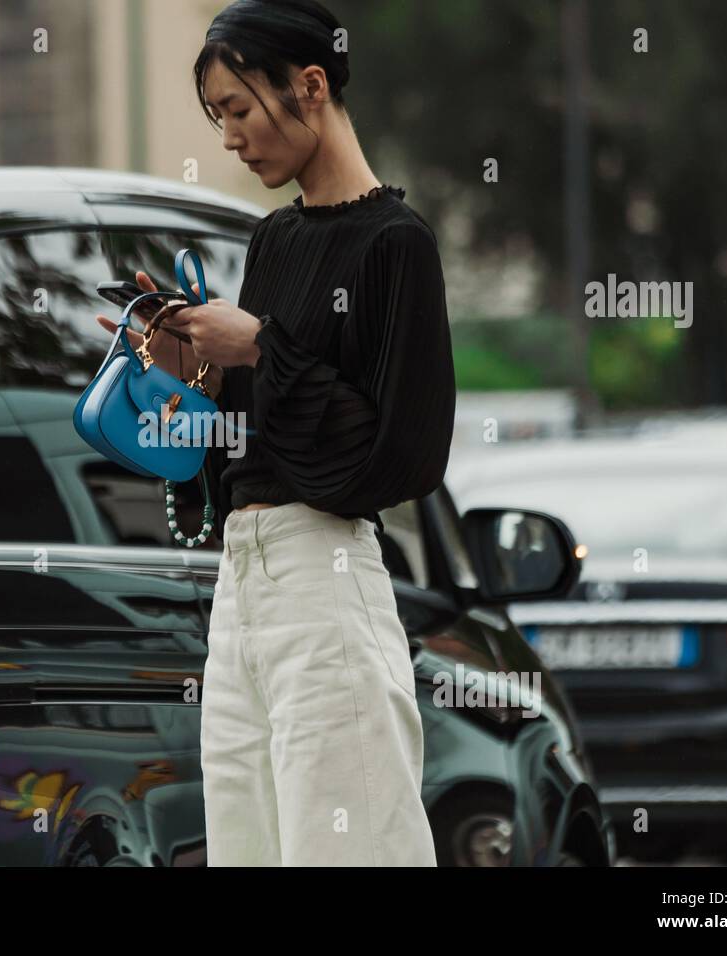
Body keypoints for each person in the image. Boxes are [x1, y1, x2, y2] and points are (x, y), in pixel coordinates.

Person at [97, 0, 456, 866]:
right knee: (248, 848)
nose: (230, 138)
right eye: (218, 118)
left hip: (326, 580)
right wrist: (198, 370)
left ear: (311, 85)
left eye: (240, 110)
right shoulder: (276, 239)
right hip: (243, 586)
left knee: (348, 847)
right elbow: (267, 424)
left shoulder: (395, 245)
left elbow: (402, 454)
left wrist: (260, 346)